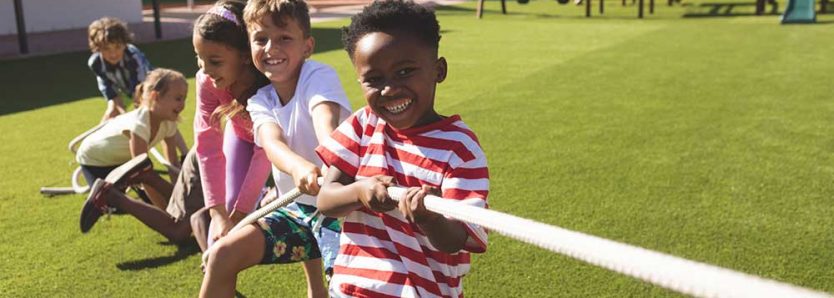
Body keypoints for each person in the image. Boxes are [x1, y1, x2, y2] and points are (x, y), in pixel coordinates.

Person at [315, 1, 490, 297]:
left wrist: (429, 218)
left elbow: (457, 238)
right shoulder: (363, 124)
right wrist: (359, 192)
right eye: (374, 79)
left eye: (405, 71)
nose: (389, 89)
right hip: (352, 289)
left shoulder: (460, 148)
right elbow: (326, 199)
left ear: (438, 70)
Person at [199, 0, 352, 297]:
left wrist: (328, 158)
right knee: (221, 255)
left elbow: (325, 120)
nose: (271, 47)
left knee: (345, 288)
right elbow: (271, 143)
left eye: (284, 38)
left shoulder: (318, 76)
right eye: (261, 39)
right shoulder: (260, 100)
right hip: (298, 212)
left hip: (344, 211)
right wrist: (299, 167)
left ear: (307, 46)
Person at [191, 0, 273, 252]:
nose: (205, 69)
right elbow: (207, 145)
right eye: (199, 58)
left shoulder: (270, 84)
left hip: (277, 144)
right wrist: (218, 214)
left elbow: (265, 152)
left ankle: (315, 284)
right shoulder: (206, 81)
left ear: (245, 57)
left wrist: (241, 214)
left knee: (297, 207)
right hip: (240, 136)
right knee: (227, 205)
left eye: (214, 61)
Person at [77, 68, 190, 232]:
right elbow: (144, 174)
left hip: (121, 162)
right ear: (155, 97)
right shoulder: (140, 123)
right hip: (95, 160)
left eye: (184, 99)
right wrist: (169, 215)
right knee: (116, 205)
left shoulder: (169, 122)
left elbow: (172, 164)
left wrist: (180, 200)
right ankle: (111, 196)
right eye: (178, 99)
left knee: (148, 195)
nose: (183, 104)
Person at [87, 17, 153, 122]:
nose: (113, 54)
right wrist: (120, 111)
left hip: (148, 88)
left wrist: (137, 112)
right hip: (124, 89)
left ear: (125, 44)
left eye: (117, 47)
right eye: (106, 48)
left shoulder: (133, 57)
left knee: (150, 117)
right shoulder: (96, 63)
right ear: (97, 48)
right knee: (111, 114)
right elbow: (110, 93)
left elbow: (139, 89)